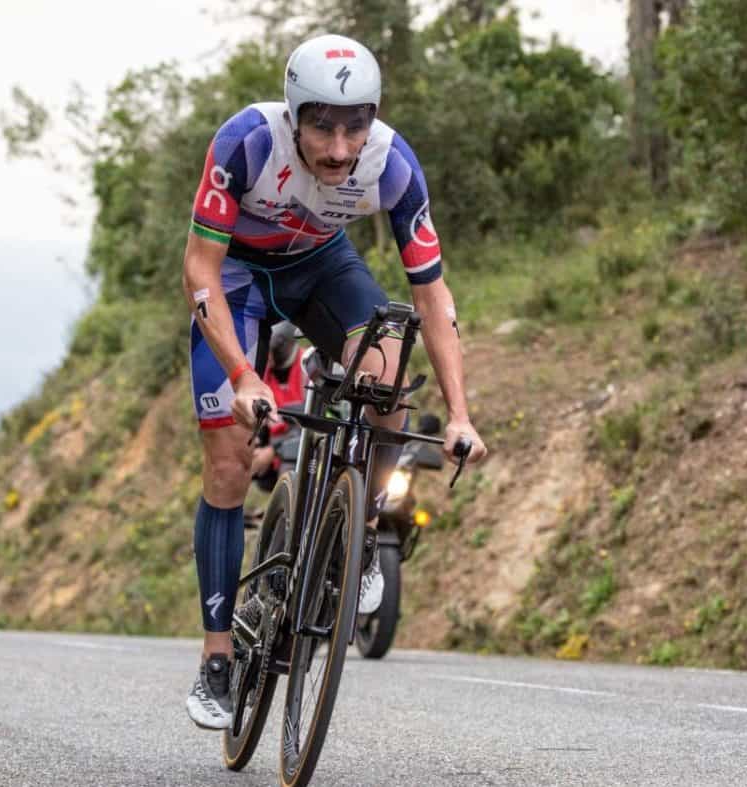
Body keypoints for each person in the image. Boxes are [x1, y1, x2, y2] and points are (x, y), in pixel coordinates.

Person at [182, 33, 488, 730]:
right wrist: (241, 374)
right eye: (323, 125)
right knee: (230, 458)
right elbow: (200, 270)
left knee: (386, 363)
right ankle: (218, 655)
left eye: (357, 124)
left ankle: (363, 528)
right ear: (294, 115)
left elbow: (435, 296)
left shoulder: (393, 163)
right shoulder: (246, 144)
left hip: (321, 266)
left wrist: (463, 414)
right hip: (240, 278)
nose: (342, 147)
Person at [249, 322, 306, 491]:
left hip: (303, 447)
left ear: (282, 347)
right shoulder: (264, 375)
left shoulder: (307, 370)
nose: (265, 357)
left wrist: (274, 451)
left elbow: (315, 423)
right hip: (275, 447)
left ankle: (287, 512)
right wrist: (255, 444)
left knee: (287, 477)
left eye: (269, 350)